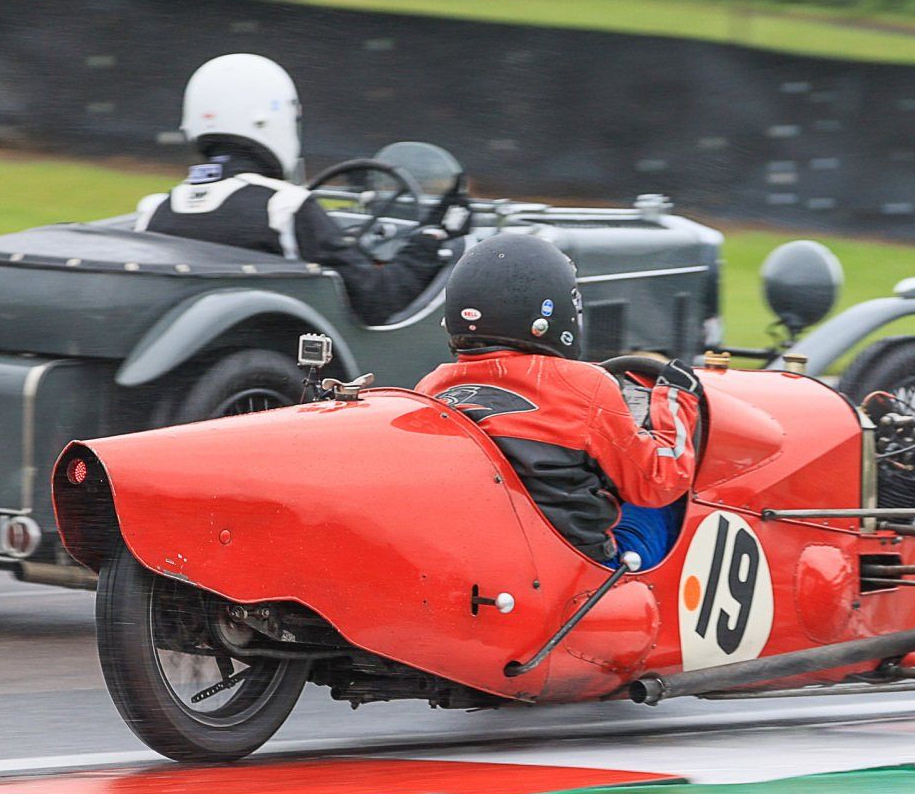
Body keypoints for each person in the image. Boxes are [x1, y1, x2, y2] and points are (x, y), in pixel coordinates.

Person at [416, 234, 702, 567]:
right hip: (575, 572)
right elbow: (658, 481)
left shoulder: (432, 387)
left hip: (480, 567)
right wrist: (675, 401)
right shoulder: (586, 386)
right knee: (664, 506)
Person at [135, 53, 469, 323]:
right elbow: (378, 297)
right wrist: (429, 239)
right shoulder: (283, 208)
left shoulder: (154, 211)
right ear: (273, 119)